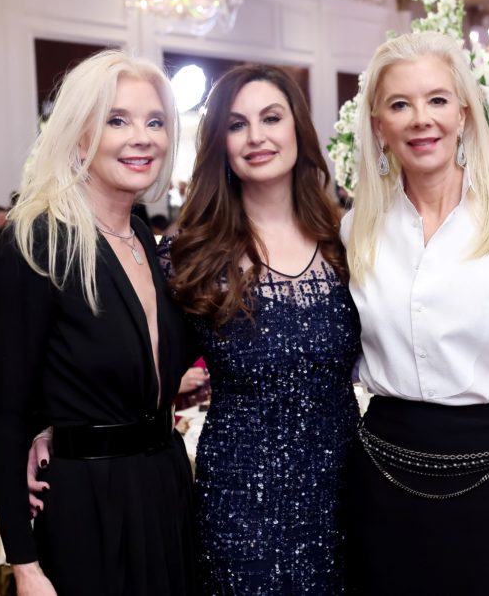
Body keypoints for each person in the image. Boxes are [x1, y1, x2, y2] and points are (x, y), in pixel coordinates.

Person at [342, 31, 489, 596]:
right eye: (401, 104)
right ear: (378, 125)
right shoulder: (355, 229)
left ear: (463, 114)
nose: (422, 119)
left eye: (438, 100)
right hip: (382, 477)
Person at [0, 50, 198, 595]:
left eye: (155, 122)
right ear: (80, 136)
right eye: (117, 120)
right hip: (89, 501)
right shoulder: (40, 239)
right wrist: (25, 565)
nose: (142, 137)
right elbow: (6, 412)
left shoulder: (145, 241)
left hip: (164, 482)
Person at [164, 64, 361, 592]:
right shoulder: (191, 253)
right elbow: (135, 364)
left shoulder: (348, 241)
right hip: (241, 502)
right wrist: (51, 427)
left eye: (271, 118)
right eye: (236, 124)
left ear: (297, 127)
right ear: (219, 144)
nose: (256, 136)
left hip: (346, 487)